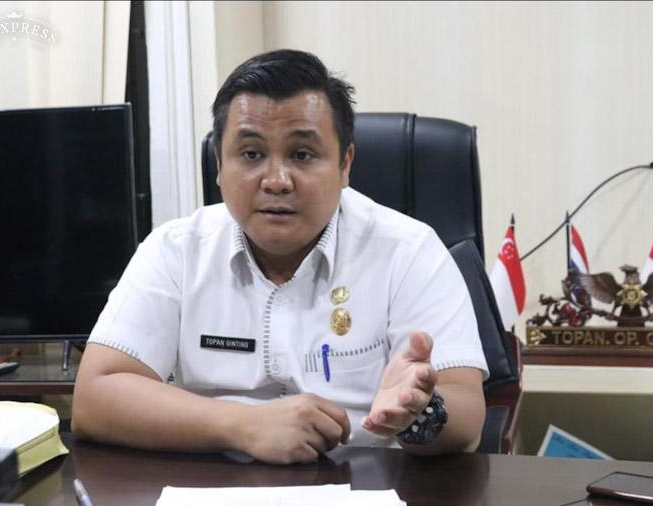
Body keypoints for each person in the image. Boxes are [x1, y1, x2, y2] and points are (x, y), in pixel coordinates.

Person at [72, 49, 487, 464]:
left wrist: (418, 411)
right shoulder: (175, 250)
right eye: (251, 154)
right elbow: (95, 397)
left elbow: (467, 417)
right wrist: (243, 426)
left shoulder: (408, 250)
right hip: (212, 491)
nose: (276, 181)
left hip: (365, 488)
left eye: (302, 155)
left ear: (345, 165)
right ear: (219, 165)